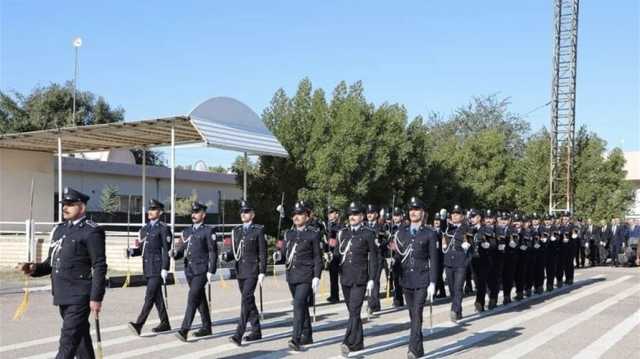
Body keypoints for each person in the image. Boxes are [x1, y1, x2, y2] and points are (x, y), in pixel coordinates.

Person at [18, 187, 107, 359]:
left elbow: (99, 265)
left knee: (67, 342)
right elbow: (50, 263)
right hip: (62, 294)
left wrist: (96, 297)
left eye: (70, 204)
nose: (65, 207)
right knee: (80, 338)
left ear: (82, 207)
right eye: (64, 204)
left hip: (79, 295)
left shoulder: (91, 231)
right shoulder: (59, 230)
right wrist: (34, 268)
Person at [390, 197, 438, 359]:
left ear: (422, 212)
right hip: (406, 279)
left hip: (422, 278)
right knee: (412, 315)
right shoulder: (401, 232)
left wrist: (433, 282)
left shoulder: (429, 233)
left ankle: (412, 349)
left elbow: (434, 259)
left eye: (417, 210)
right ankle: (419, 347)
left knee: (417, 313)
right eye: (411, 210)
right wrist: (393, 261)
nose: (413, 212)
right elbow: (399, 255)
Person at [274, 201, 322, 351]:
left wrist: (317, 276)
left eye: (300, 214)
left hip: (306, 276)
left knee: (297, 305)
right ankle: (307, 335)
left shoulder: (313, 234)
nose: (296, 217)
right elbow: (284, 254)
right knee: (302, 306)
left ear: (306, 216)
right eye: (294, 214)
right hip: (292, 275)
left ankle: (296, 338)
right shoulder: (288, 234)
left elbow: (317, 257)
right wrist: (278, 255)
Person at [334, 202, 378, 356]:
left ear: (362, 216)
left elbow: (374, 258)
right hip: (345, 278)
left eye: (355, 214)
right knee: (353, 312)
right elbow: (337, 255)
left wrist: (372, 278)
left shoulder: (368, 233)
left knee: (354, 310)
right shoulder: (343, 233)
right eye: (350, 215)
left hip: (360, 278)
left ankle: (348, 341)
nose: (352, 217)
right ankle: (359, 342)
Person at [173, 201, 218, 342]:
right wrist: (174, 253)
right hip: (189, 270)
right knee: (200, 299)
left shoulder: (208, 231)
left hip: (202, 270)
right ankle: (207, 327)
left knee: (192, 297)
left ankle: (184, 330)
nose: (193, 215)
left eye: (196, 212)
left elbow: (213, 252)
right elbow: (180, 251)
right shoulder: (186, 231)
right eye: (192, 212)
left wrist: (211, 270)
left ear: (203, 215)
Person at [224, 201, 267, 346]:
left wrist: (262, 271)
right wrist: (226, 256)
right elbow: (235, 251)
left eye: (247, 212)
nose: (243, 214)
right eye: (242, 212)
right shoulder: (237, 230)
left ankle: (238, 333)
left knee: (245, 299)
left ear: (252, 214)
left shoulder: (258, 230)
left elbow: (262, 252)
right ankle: (256, 331)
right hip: (240, 271)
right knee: (249, 301)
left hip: (252, 270)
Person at [127, 199, 172, 336]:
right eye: (149, 209)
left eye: (153, 209)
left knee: (149, 296)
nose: (150, 212)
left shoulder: (163, 228)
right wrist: (132, 252)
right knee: (157, 297)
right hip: (147, 267)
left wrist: (165, 267)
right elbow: (142, 248)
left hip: (157, 267)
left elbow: (167, 250)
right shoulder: (145, 228)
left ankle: (139, 324)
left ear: (160, 212)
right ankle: (165, 323)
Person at [442, 204, 473, 321]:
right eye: (453, 214)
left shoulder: (467, 228)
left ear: (462, 216)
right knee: (451, 288)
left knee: (458, 287)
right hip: (449, 260)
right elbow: (443, 236)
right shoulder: (448, 228)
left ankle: (454, 309)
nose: (455, 216)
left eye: (457, 214)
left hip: (461, 260)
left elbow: (471, 244)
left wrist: (468, 246)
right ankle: (458, 309)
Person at [365, 204, 389, 314]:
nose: (369, 215)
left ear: (376, 214)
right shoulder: (364, 226)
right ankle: (376, 303)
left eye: (371, 213)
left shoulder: (381, 227)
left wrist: (380, 243)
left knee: (374, 280)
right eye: (368, 213)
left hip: (377, 256)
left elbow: (387, 240)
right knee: (367, 280)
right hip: (366, 257)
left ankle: (372, 304)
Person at [468, 209, 490, 312]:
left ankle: (479, 302)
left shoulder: (486, 229)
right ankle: (480, 299)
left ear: (479, 218)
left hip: (484, 259)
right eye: (471, 217)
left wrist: (488, 245)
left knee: (481, 281)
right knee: (476, 282)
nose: (471, 219)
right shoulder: (469, 230)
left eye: (473, 217)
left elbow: (493, 242)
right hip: (473, 259)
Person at [325, 206, 344, 303]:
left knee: (344, 276)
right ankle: (334, 295)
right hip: (331, 254)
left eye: (332, 213)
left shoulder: (341, 225)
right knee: (333, 276)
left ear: (337, 214)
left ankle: (347, 293)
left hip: (340, 254)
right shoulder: (327, 225)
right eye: (328, 213)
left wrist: (332, 228)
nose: (329, 215)